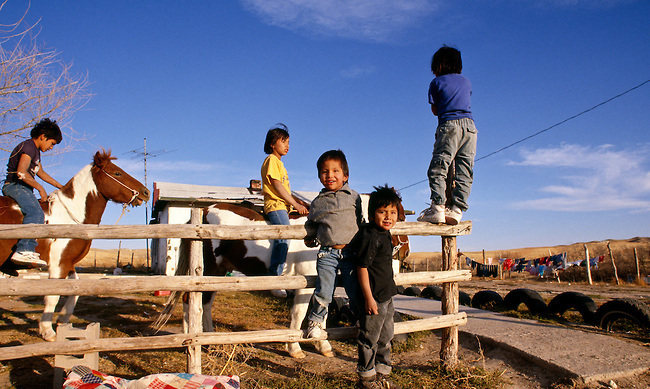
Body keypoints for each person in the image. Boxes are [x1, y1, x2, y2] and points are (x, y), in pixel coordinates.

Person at [304, 149, 362, 339]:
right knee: (324, 290)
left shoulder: (354, 197)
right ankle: (316, 322)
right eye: (325, 171)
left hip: (351, 253)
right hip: (327, 254)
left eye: (335, 171)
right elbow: (311, 224)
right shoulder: (318, 202)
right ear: (319, 176)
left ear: (345, 175)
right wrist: (310, 238)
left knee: (354, 289)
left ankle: (361, 320)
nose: (330, 175)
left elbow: (359, 221)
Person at [417, 45, 477, 225]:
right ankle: (458, 209)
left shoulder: (436, 83)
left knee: (439, 167)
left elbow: (435, 110)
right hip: (470, 128)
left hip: (449, 126)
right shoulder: (467, 82)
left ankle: (437, 207)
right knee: (464, 169)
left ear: (438, 66)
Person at [350, 185, 402, 389]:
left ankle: (382, 374)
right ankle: (367, 379)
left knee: (386, 336)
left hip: (387, 296)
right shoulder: (371, 236)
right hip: (375, 298)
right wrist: (369, 298)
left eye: (393, 212)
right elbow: (362, 267)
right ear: (372, 215)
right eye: (382, 212)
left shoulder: (385, 233)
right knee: (369, 338)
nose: (388, 217)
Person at [3, 118, 63, 267]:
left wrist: (61, 186)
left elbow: (41, 173)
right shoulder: (28, 147)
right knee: (35, 213)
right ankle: (24, 250)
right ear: (43, 136)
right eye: (52, 143)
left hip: (23, 188)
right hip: (15, 186)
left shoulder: (35, 152)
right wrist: (41, 189)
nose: (51, 147)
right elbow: (21, 172)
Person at [261, 123, 309, 298]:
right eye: (283, 141)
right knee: (285, 237)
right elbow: (277, 186)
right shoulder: (272, 160)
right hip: (275, 205)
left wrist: (298, 202)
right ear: (273, 144)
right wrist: (295, 205)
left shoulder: (280, 164)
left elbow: (286, 191)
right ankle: (274, 278)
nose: (287, 145)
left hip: (283, 205)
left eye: (288, 142)